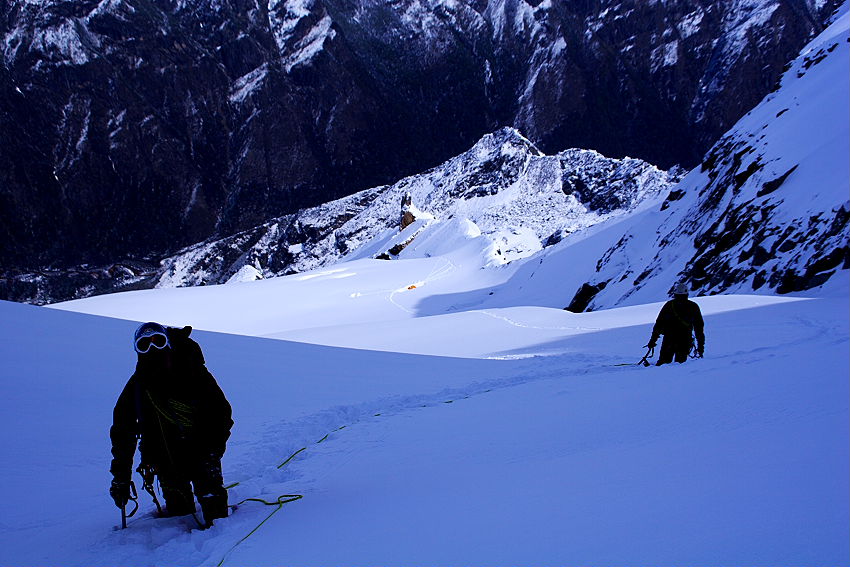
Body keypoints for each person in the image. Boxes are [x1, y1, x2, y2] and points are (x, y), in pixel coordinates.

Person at [109, 322, 233, 527]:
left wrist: (212, 450)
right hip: (163, 459)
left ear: (168, 343)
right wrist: (120, 477)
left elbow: (222, 413)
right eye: (144, 345)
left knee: (217, 516)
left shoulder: (194, 373)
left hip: (201, 452)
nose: (152, 349)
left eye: (158, 341)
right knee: (179, 515)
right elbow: (123, 431)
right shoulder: (138, 385)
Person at [647, 283, 705, 365]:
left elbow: (659, 324)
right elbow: (699, 328)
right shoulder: (693, 306)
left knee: (663, 363)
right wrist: (700, 347)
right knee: (679, 365)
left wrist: (653, 340)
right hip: (685, 339)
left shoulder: (669, 305)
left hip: (669, 339)